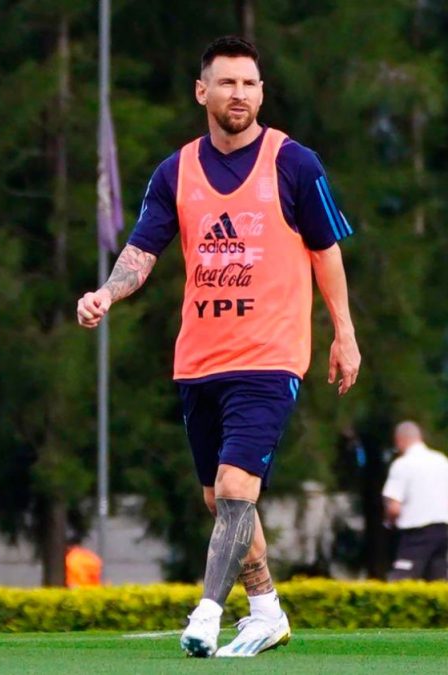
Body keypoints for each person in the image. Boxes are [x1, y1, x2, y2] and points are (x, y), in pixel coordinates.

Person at [76, 35, 360, 658]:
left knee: (235, 487)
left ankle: (207, 613)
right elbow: (142, 250)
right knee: (218, 497)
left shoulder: (294, 163)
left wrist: (344, 332)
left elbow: (326, 252)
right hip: (200, 360)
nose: (240, 94)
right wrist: (107, 293)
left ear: (262, 93)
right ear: (202, 91)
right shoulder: (175, 171)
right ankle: (266, 612)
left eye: (250, 84)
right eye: (228, 83)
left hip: (271, 356)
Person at [382, 421, 448, 581]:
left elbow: (394, 507)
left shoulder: (402, 465)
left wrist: (389, 524)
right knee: (437, 580)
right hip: (441, 530)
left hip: (415, 532)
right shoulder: (443, 461)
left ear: (399, 440)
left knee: (402, 580)